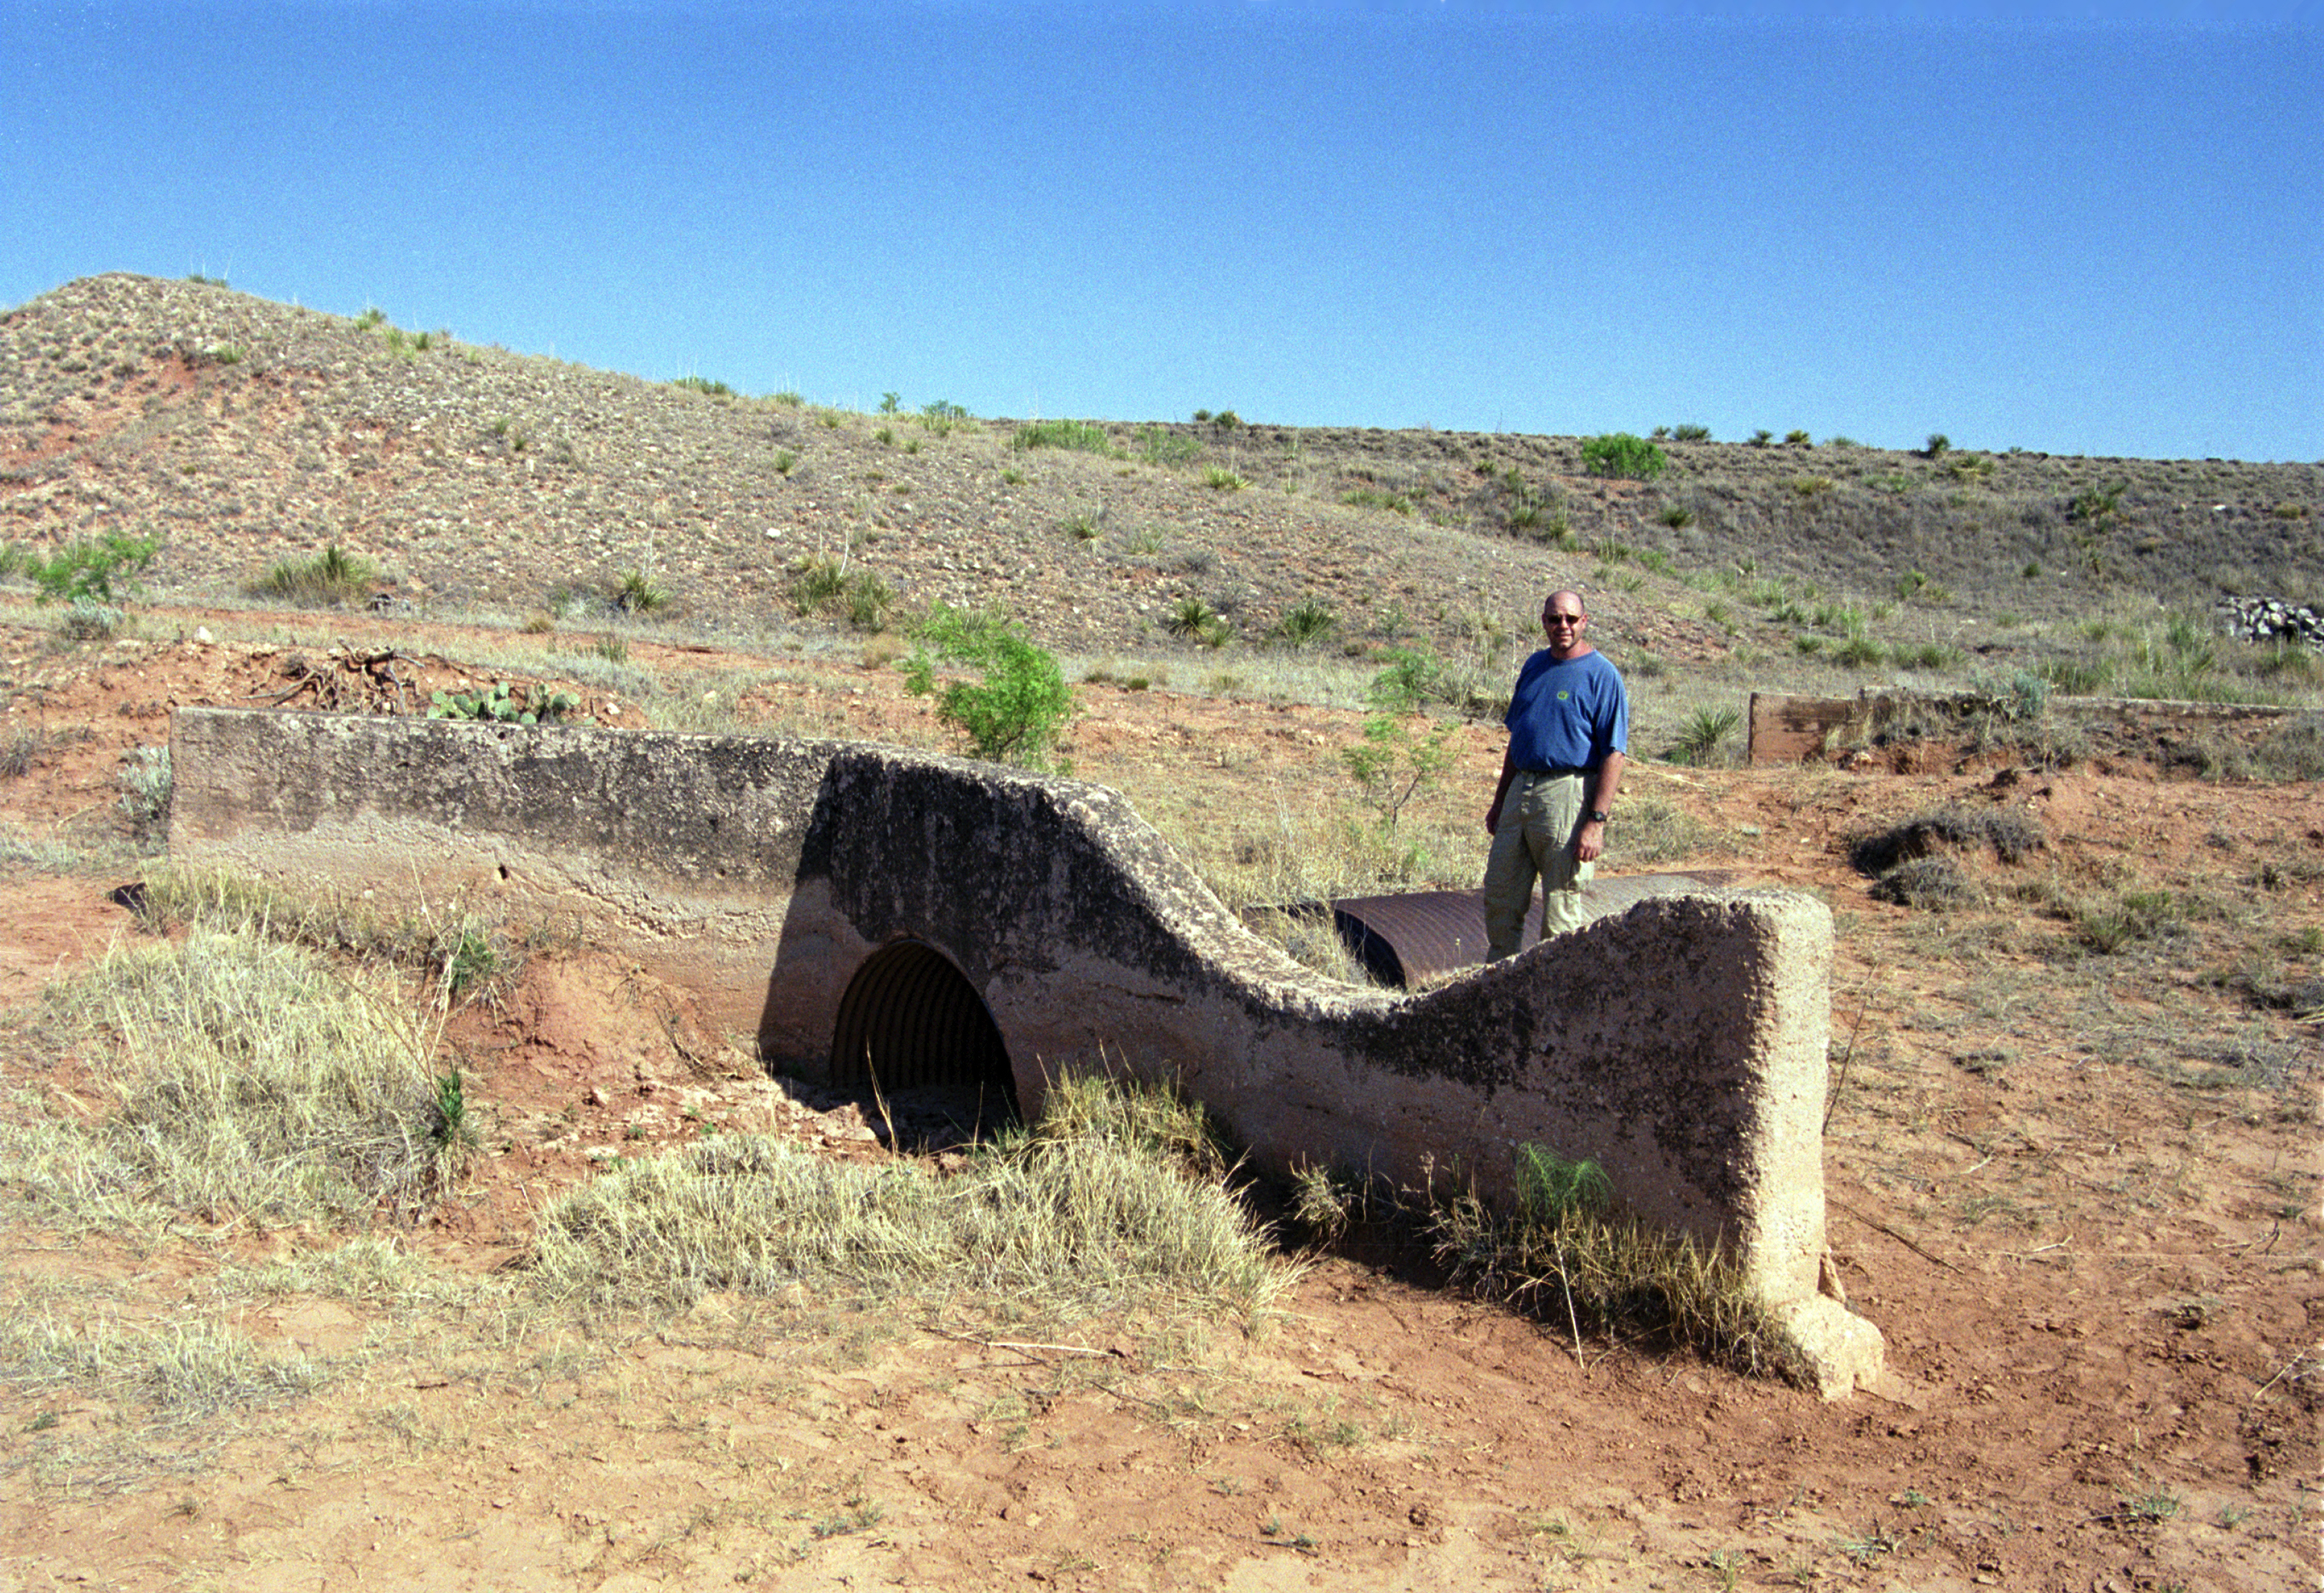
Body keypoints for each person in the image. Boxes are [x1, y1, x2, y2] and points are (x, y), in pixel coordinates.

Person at [1483, 589, 1628, 958]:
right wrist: (1500, 801)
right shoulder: (1534, 666)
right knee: (1501, 896)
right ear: (1543, 621)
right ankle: (1496, 989)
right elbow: (1519, 739)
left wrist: (1596, 821)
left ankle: (1555, 1000)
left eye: (1571, 619)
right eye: (1554, 619)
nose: (1563, 626)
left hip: (1568, 793)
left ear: (1584, 621)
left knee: (1561, 907)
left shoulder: (1603, 675)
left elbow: (1614, 753)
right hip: (1522, 789)